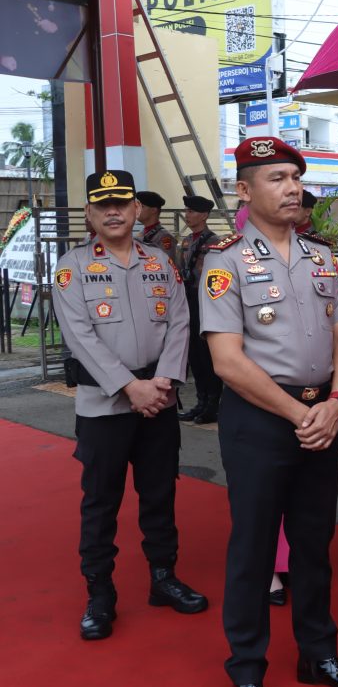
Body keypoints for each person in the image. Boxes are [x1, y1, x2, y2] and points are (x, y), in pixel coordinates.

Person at [201, 137, 338, 687]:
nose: (292, 187)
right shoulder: (223, 261)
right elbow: (227, 361)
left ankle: (318, 656)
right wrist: (300, 414)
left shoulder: (321, 255)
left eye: (295, 177)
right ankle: (247, 671)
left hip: (321, 414)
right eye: (276, 178)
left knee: (313, 544)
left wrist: (336, 401)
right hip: (259, 422)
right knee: (253, 548)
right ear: (245, 190)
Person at [53, 169, 208, 642]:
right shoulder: (72, 266)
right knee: (101, 503)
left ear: (137, 208)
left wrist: (162, 383)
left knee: (160, 494)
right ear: (90, 214)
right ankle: (100, 593)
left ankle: (163, 578)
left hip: (158, 399)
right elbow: (79, 336)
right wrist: (129, 387)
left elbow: (180, 322)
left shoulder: (160, 259)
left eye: (122, 202)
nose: (114, 211)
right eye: (103, 205)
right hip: (103, 406)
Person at [178, 194, 222, 425]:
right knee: (195, 355)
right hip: (189, 300)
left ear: (204, 215)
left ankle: (213, 404)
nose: (188, 215)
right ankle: (200, 401)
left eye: (192, 211)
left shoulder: (214, 242)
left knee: (207, 356)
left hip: (205, 301)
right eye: (187, 211)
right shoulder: (187, 241)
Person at [136, 191, 180, 267]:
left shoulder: (165, 237)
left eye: (142, 207)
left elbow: (168, 265)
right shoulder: (140, 234)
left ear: (154, 210)